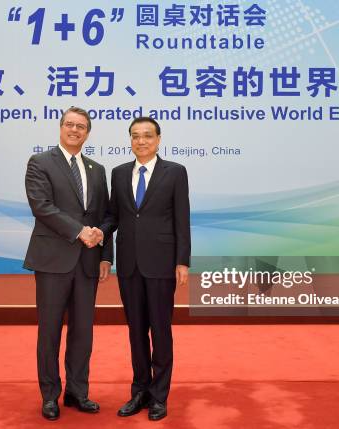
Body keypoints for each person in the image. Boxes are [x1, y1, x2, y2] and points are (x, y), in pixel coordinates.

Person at [23, 107, 112, 421]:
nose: (75, 130)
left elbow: (104, 216)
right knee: (49, 332)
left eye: (82, 126)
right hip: (53, 260)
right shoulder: (40, 163)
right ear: (60, 128)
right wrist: (79, 232)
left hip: (88, 262)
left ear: (88, 133)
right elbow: (42, 207)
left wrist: (105, 255)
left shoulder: (97, 169)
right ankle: (50, 395)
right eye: (70, 125)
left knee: (83, 332)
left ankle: (78, 392)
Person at [100, 117, 191, 421]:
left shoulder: (175, 172)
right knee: (136, 331)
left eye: (147, 136)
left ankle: (159, 396)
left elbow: (181, 219)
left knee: (161, 331)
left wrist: (182, 261)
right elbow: (113, 217)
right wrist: (100, 239)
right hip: (129, 266)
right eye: (135, 136)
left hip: (162, 264)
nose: (141, 141)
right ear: (130, 140)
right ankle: (139, 391)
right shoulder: (119, 173)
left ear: (158, 139)